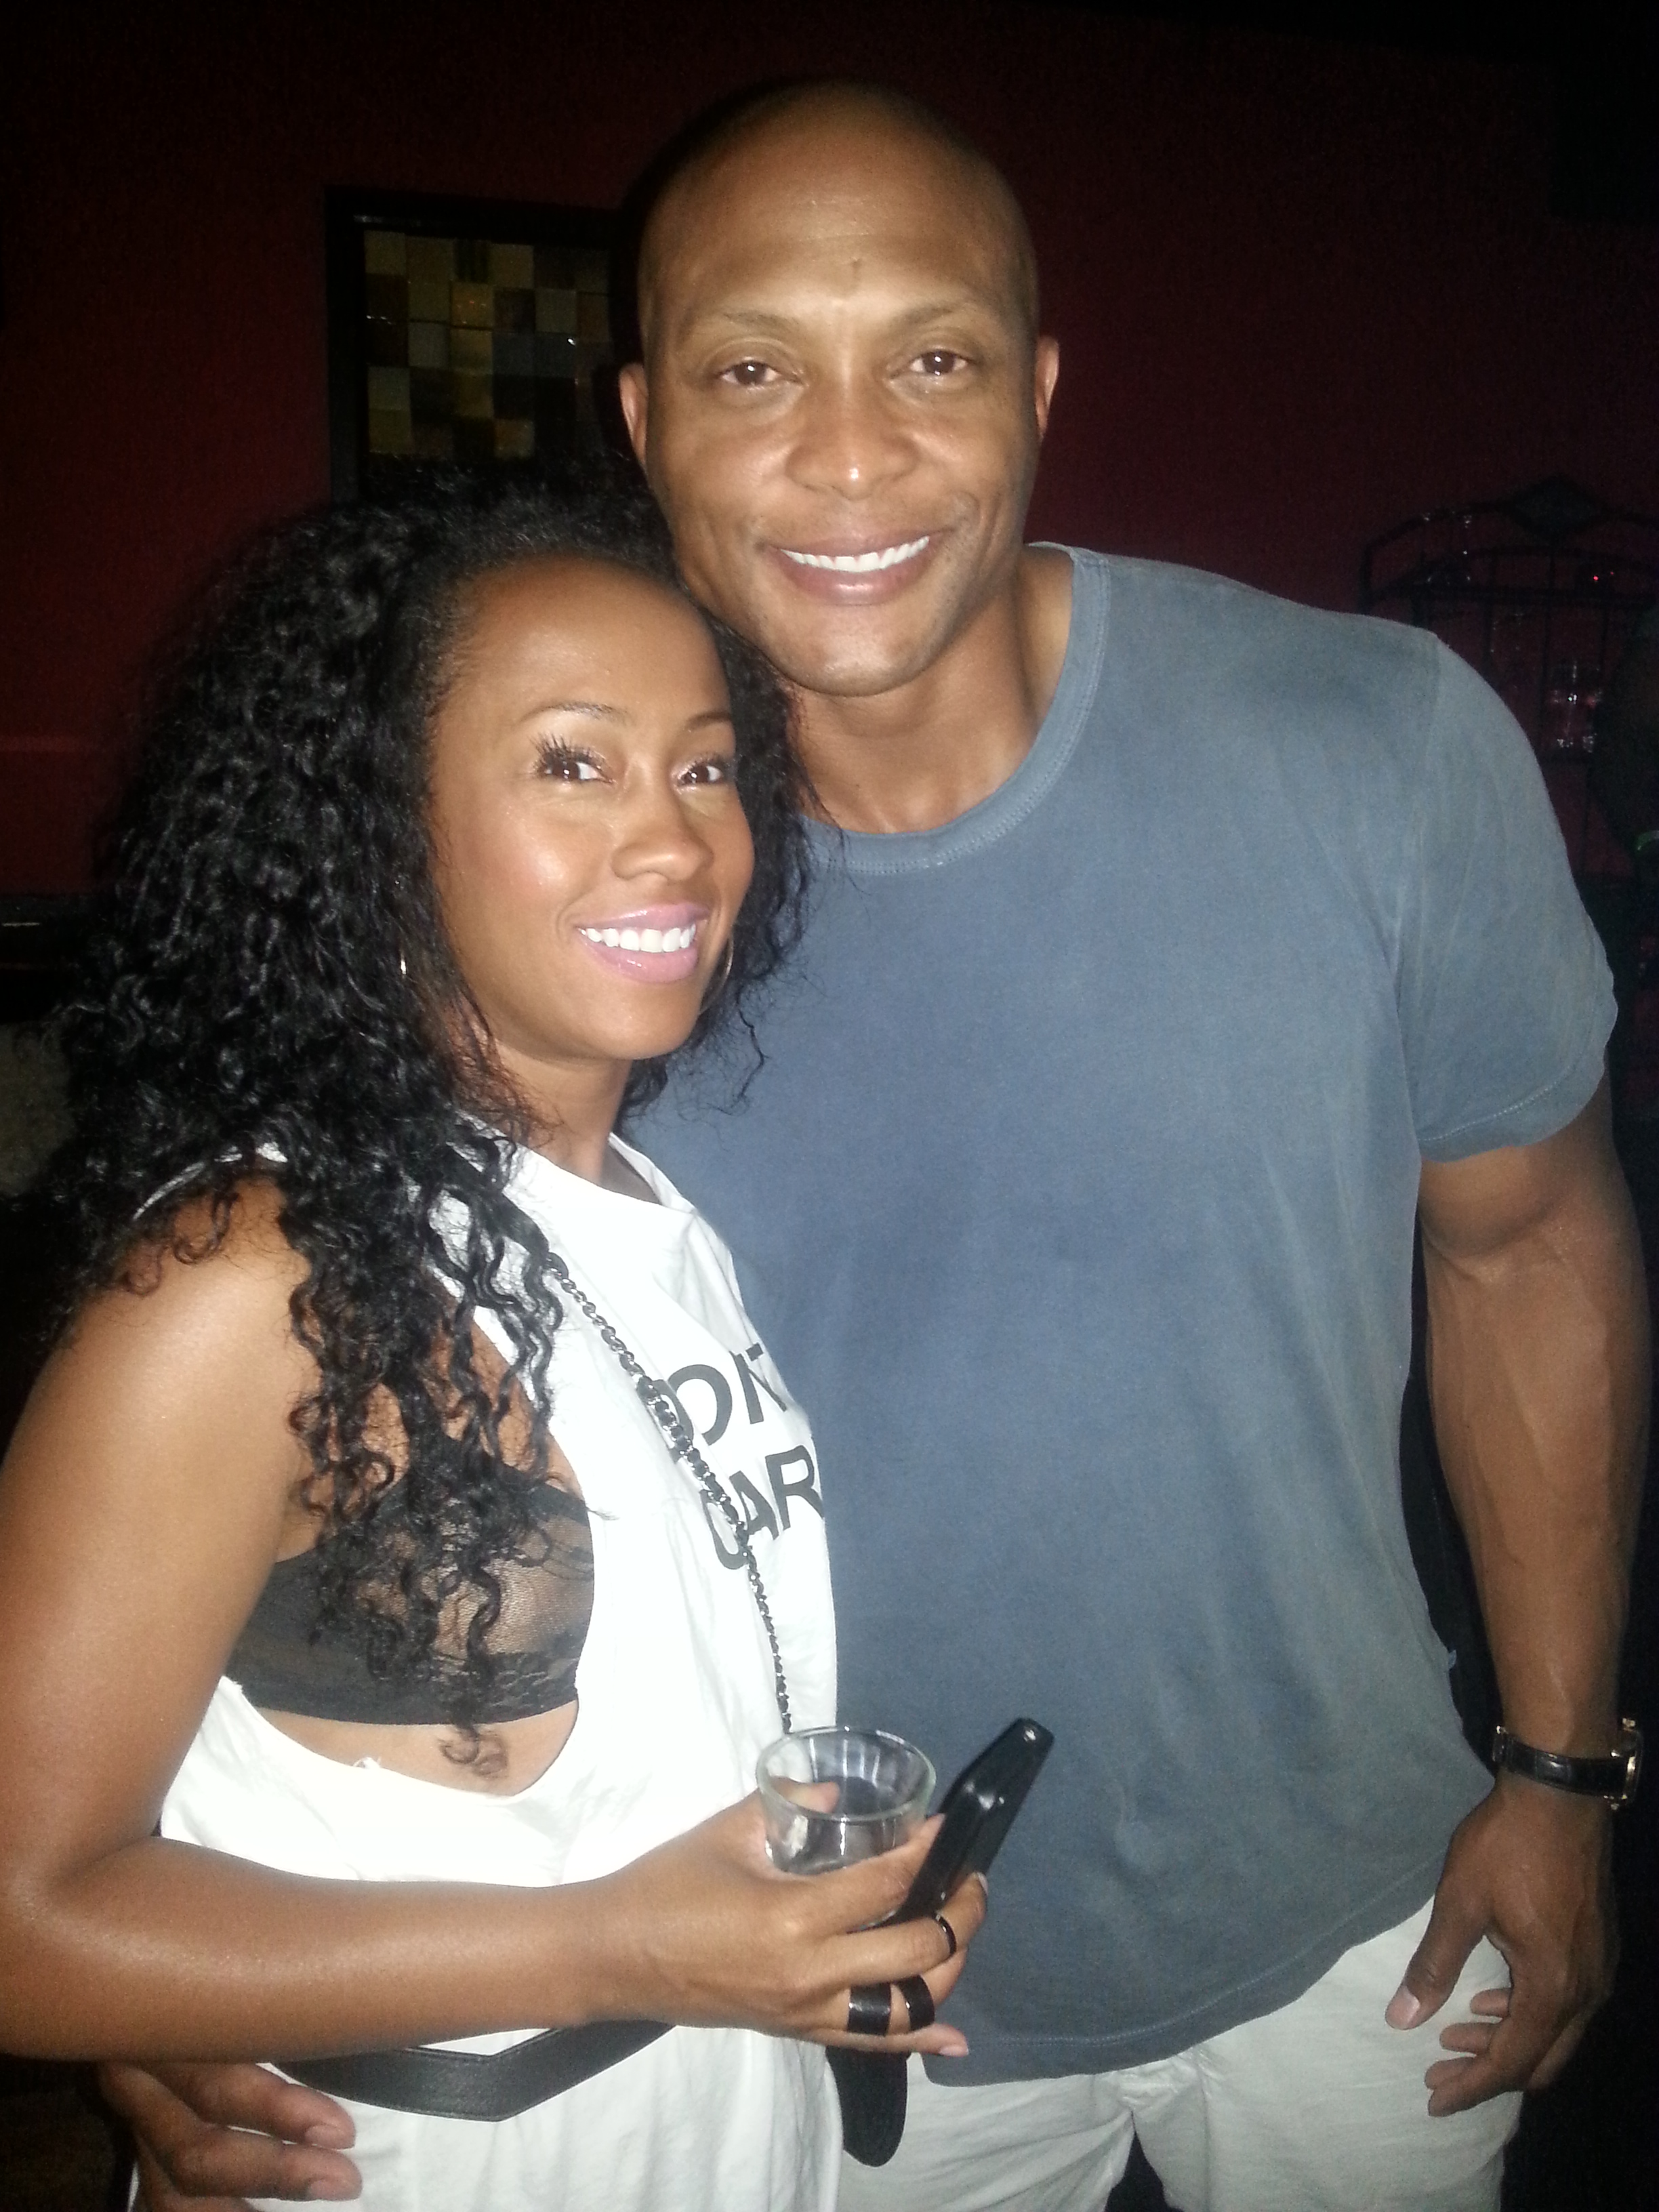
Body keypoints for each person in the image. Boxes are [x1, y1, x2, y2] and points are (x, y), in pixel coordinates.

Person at [104, 83, 1647, 2212]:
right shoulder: (563, 885)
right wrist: (163, 1946)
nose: (850, 454)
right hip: (788, 1967)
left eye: (931, 356)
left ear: (1037, 388)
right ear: (644, 417)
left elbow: (1529, 1246)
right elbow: (267, 1386)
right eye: (757, 371)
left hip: (1352, 1925)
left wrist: (1563, 1769)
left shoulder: (1376, 749)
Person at [0, 469, 985, 2212]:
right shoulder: (251, 1283)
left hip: (727, 2130)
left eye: (704, 767)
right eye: (571, 764)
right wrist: (622, 1949)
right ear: (383, 828)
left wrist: (805, 1922)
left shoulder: (655, 1219)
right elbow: (23, 1920)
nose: (675, 838)